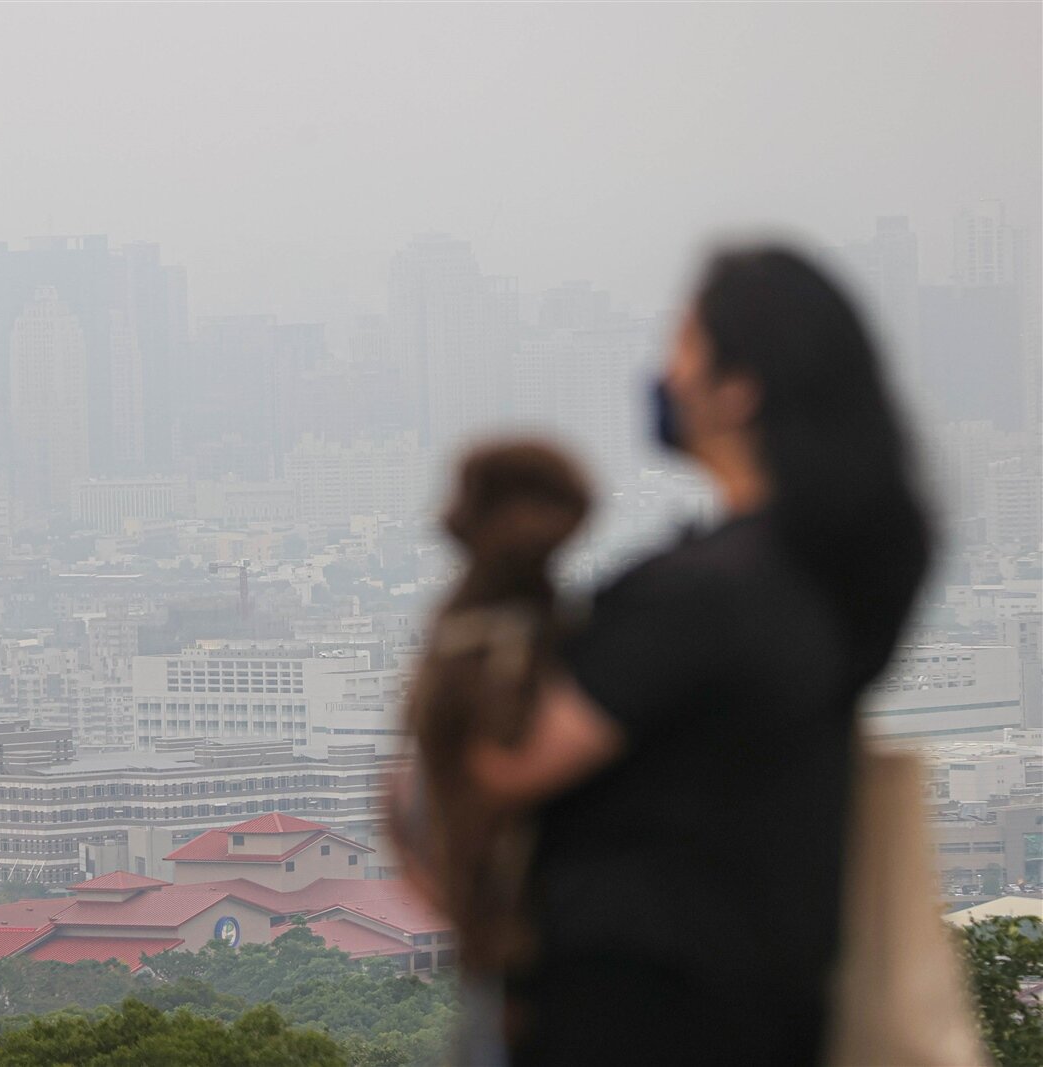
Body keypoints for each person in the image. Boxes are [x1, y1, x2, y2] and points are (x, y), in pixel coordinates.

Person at [468, 246, 931, 1066]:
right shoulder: (818, 580)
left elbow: (498, 767)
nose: (663, 373)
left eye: (681, 346)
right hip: (761, 1014)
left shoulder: (706, 597)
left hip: (636, 1021)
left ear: (738, 387)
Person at [390, 440, 590, 1056]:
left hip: (492, 922)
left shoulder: (456, 635)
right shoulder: (562, 636)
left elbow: (404, 797)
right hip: (545, 924)